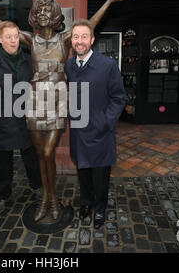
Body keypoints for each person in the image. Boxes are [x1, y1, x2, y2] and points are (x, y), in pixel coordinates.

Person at [0, 0, 134, 222]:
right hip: (35, 101)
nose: (43, 13)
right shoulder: (29, 39)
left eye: (47, 9)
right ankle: (47, 199)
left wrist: (108, 0)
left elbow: (88, 25)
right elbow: (1, 27)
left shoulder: (64, 39)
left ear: (55, 14)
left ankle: (52, 199)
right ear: (34, 15)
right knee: (41, 156)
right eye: (39, 10)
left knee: (48, 152)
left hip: (57, 101)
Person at [65, 19, 126, 229]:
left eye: (84, 37)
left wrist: (105, 122)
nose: (79, 41)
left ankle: (100, 209)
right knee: (83, 174)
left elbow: (119, 98)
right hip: (78, 133)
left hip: (100, 134)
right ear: (71, 41)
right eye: (75, 37)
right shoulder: (69, 65)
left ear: (92, 39)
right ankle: (86, 203)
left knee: (100, 178)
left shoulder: (107, 65)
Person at [0, 21, 42, 215]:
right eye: (8, 37)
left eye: (16, 36)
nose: (13, 40)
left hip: (27, 122)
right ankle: (2, 195)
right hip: (2, 124)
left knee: (32, 159)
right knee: (2, 164)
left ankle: (37, 187)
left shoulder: (29, 60)